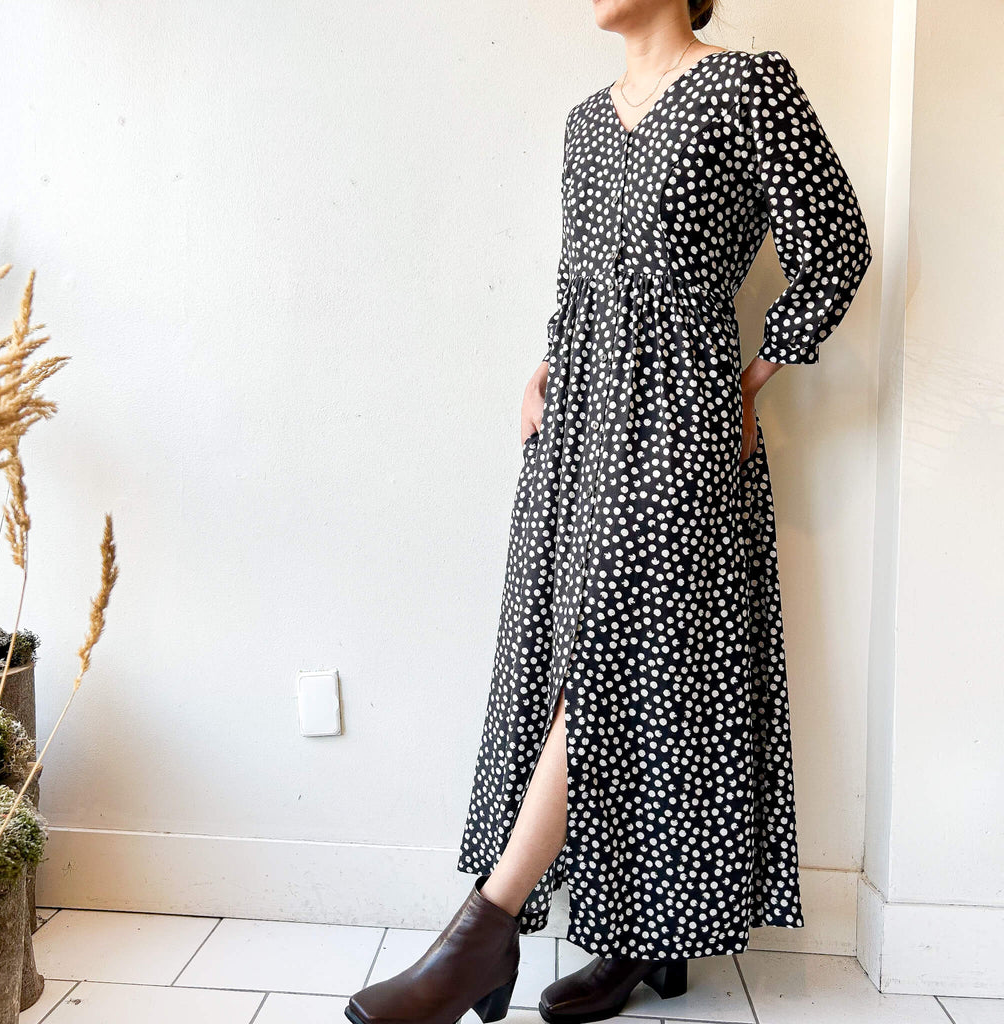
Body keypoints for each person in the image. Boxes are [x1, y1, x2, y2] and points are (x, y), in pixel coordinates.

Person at [346, 1, 873, 1022]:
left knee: (616, 656)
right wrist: (547, 366)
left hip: (681, 418)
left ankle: (481, 935)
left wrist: (751, 380)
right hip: (579, 423)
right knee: (583, 654)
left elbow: (836, 245)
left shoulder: (747, 85)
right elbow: (578, 278)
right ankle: (643, 938)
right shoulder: (585, 120)